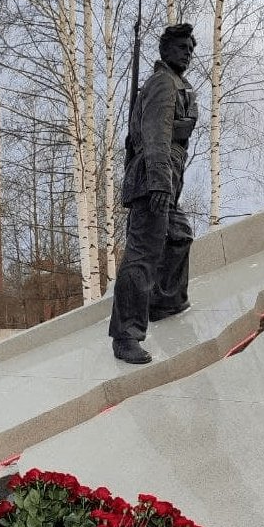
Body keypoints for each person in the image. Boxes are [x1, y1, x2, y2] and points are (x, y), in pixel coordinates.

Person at [109, 23, 199, 364]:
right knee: (142, 257)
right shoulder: (163, 83)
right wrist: (161, 183)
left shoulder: (178, 84)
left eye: (191, 49)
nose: (188, 54)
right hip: (153, 182)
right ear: (165, 51)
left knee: (178, 236)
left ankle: (164, 302)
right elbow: (156, 136)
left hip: (165, 181)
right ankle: (126, 335)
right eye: (181, 48)